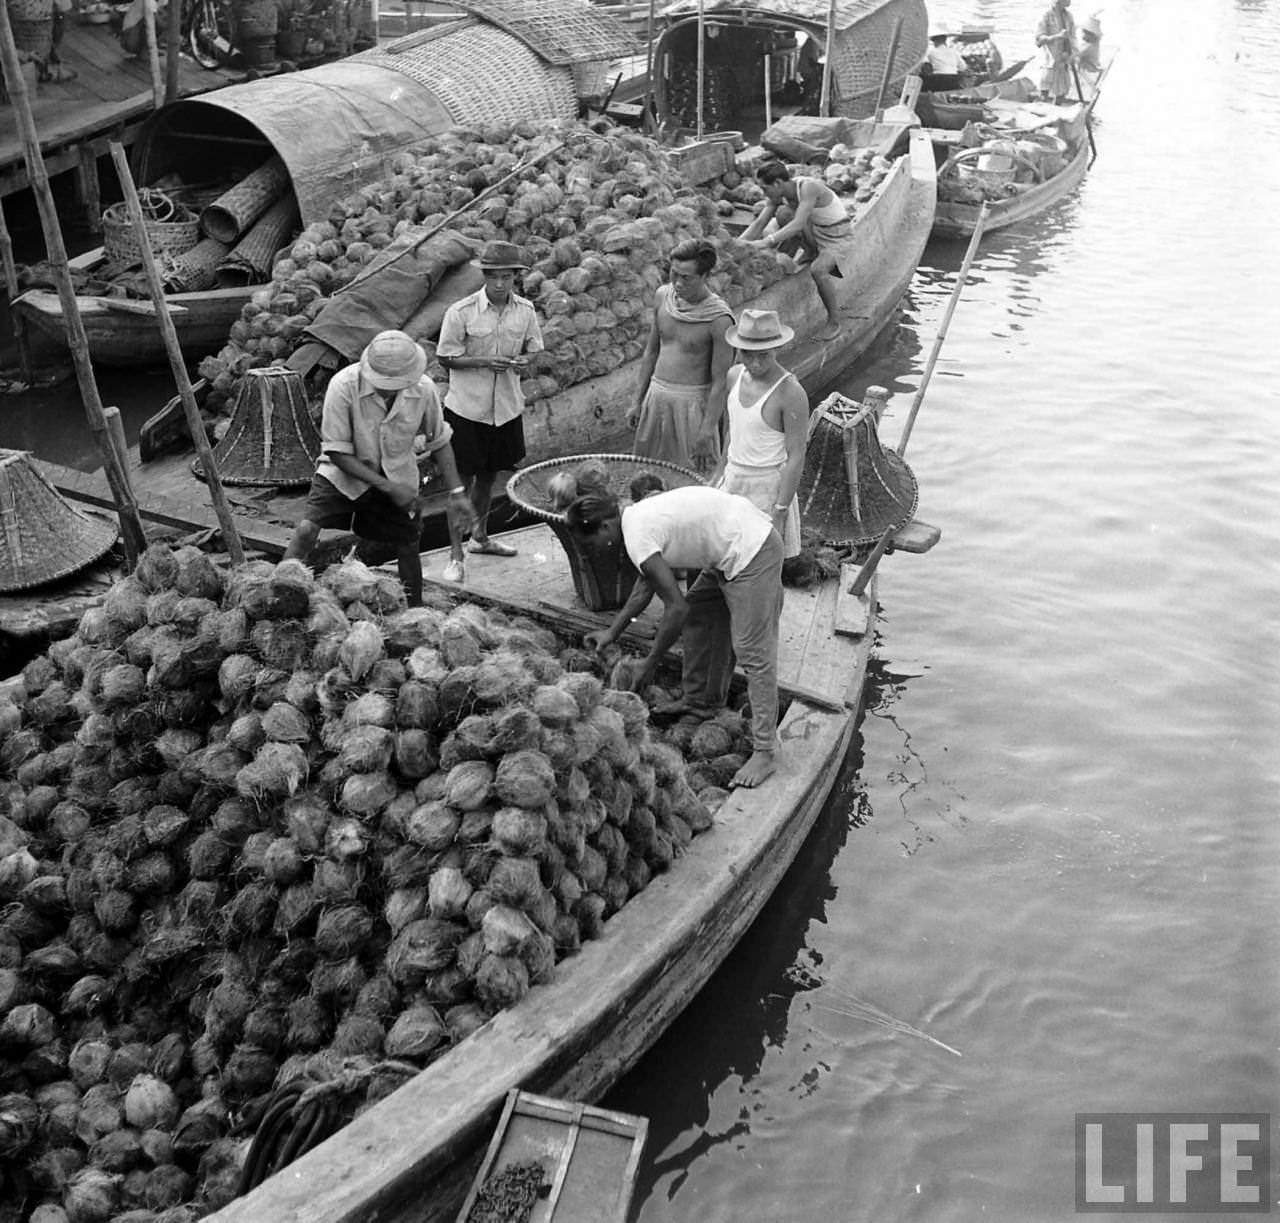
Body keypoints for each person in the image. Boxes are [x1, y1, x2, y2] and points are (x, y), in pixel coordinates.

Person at [579, 474, 785, 789]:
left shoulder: (637, 537)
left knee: (752, 652)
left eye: (589, 543)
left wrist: (649, 664)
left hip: (752, 550)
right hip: (725, 552)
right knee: (700, 610)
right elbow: (644, 588)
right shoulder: (635, 517)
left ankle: (766, 750)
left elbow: (675, 608)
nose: (591, 551)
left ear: (605, 528)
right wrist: (612, 632)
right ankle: (702, 702)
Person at [283, 330, 474, 607]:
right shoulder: (344, 385)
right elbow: (336, 450)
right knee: (306, 530)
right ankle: (277, 590)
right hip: (343, 474)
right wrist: (386, 486)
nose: (388, 388)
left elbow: (440, 441)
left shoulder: (424, 390)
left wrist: (457, 492)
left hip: (399, 473)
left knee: (409, 544)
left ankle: (415, 612)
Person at [436, 240, 544, 583]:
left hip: (506, 408)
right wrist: (484, 360)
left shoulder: (525, 311)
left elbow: (535, 348)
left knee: (488, 478)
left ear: (516, 277)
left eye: (507, 277)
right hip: (467, 410)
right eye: (494, 276)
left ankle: (479, 539)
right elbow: (445, 357)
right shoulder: (462, 312)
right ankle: (455, 555)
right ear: (484, 276)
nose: (500, 284)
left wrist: (526, 359)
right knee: (460, 484)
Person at [628, 238, 735, 475]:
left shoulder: (719, 319)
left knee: (691, 479)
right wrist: (637, 400)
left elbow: (720, 382)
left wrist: (707, 430)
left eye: (686, 278)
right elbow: (651, 352)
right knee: (647, 477)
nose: (677, 283)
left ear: (706, 276)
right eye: (673, 274)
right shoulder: (662, 297)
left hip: (691, 409)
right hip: (655, 400)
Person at [710, 309, 806, 560]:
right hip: (733, 479)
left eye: (763, 355)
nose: (755, 363)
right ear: (738, 350)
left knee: (760, 564)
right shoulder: (734, 376)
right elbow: (732, 432)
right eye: (747, 354)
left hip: (766, 487)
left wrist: (780, 511)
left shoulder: (790, 392)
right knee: (724, 556)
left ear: (776, 349)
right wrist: (719, 475)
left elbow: (796, 456)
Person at [742, 162, 855, 342]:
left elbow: (798, 224)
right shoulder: (778, 195)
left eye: (765, 188)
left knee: (818, 270)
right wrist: (735, 246)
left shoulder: (808, 188)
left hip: (837, 235)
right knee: (784, 213)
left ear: (778, 183)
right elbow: (759, 223)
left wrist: (766, 242)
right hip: (815, 231)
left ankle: (834, 322)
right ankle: (811, 252)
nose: (764, 194)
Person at [1036, 0, 1077, 104]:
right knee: (1044, 92)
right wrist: (1057, 36)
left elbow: (1073, 38)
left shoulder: (1069, 16)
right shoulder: (1046, 15)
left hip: (1063, 60)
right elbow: (1039, 40)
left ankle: (1056, 112)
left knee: (1062, 92)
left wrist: (1071, 53)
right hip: (1049, 61)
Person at [922, 25, 967, 92]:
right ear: (945, 40)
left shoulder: (931, 52)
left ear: (935, 41)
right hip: (953, 79)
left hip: (938, 79)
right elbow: (963, 67)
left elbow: (924, 64)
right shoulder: (954, 51)